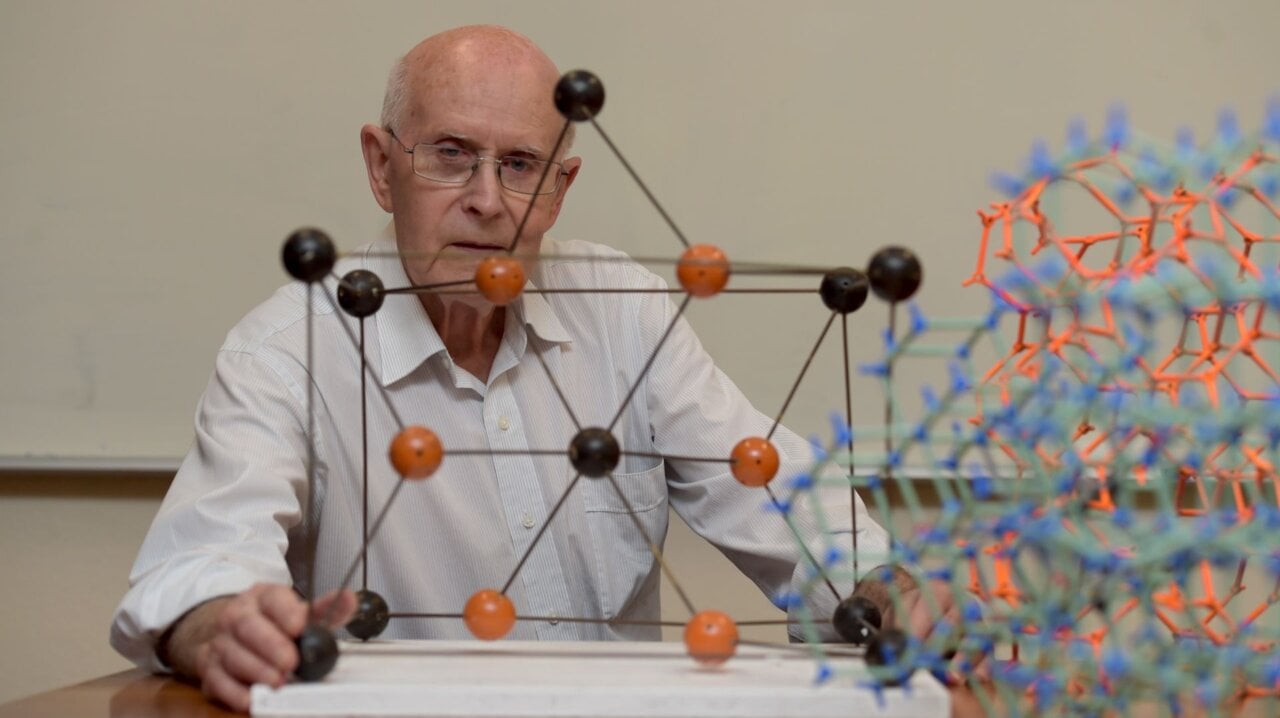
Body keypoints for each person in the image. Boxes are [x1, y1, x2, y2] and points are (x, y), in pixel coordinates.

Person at [111, 25, 975, 713]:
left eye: (519, 166)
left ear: (559, 190)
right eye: (451, 154)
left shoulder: (623, 308)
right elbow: (200, 570)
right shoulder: (284, 351)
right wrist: (219, 623)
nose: (487, 201)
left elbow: (772, 492)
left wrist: (886, 584)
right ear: (383, 167)